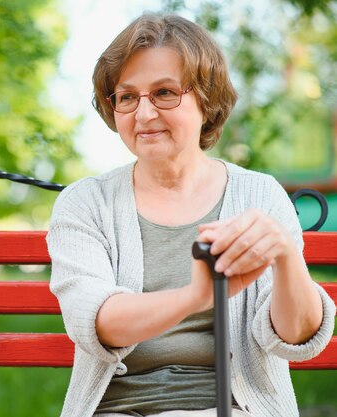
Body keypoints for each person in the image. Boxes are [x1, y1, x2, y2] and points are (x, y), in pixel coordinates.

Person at [46, 13, 335, 417]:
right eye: (127, 97)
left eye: (164, 92)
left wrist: (286, 256)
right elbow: (94, 321)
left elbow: (297, 336)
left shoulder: (258, 195)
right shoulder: (86, 204)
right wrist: (196, 296)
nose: (143, 114)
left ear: (207, 100)